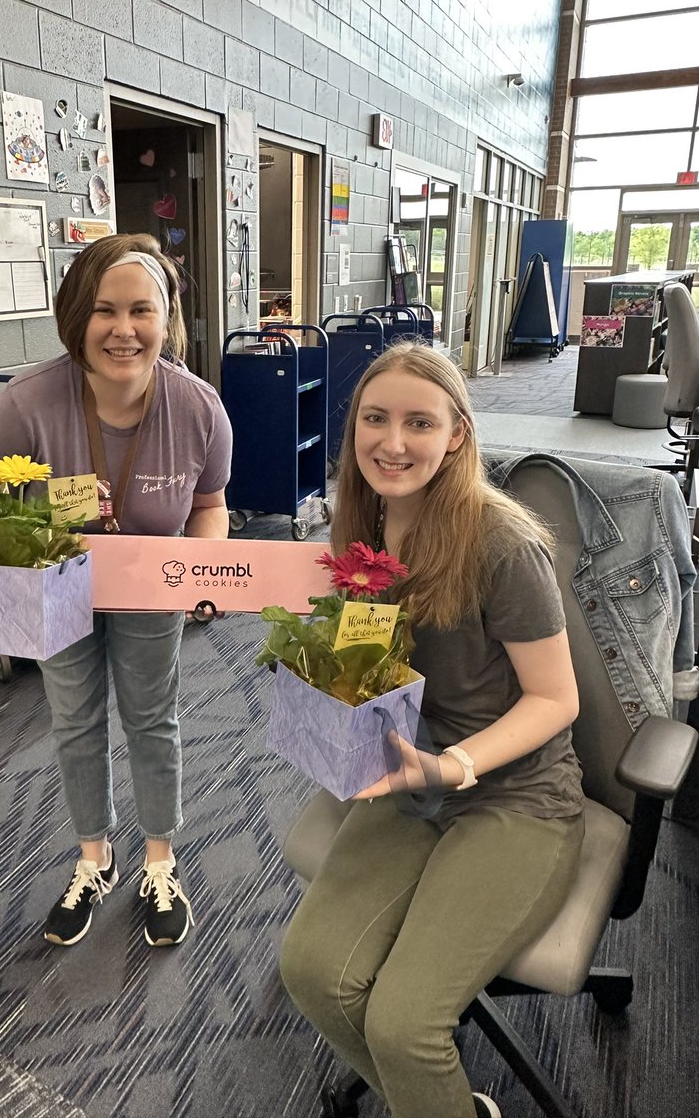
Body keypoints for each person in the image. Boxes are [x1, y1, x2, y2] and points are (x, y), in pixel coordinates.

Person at [279, 342, 584, 1118]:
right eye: (374, 419)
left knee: (405, 1024)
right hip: (407, 778)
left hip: (512, 797)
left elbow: (556, 700)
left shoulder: (501, 544)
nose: (392, 442)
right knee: (312, 973)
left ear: (456, 435)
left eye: (420, 422)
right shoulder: (359, 527)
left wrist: (451, 766)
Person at [0, 233, 232, 949]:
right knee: (76, 722)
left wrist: (201, 572)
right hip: (57, 586)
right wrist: (27, 547)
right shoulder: (27, 405)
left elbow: (210, 506)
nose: (124, 329)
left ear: (166, 318)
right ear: (76, 316)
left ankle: (160, 861)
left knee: (152, 720)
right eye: (104, 310)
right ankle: (95, 857)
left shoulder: (198, 408)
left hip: (149, 587)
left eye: (142, 310)